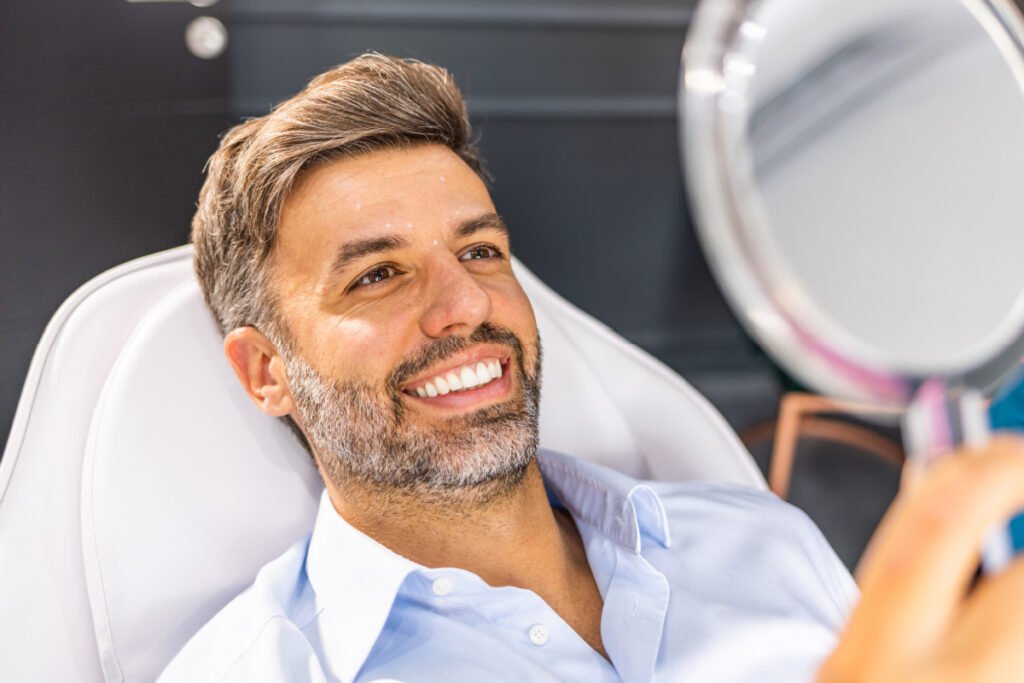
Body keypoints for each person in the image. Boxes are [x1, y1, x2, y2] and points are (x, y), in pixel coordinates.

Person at [159, 54, 1024, 682]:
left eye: (482, 250)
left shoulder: (761, 543)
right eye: (378, 274)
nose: (465, 305)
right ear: (266, 369)